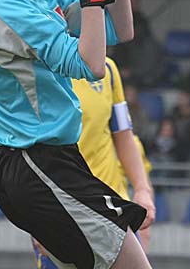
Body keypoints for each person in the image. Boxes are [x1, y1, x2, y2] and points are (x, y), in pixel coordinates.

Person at [0, 0, 151, 268]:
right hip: (34, 164)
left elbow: (120, 30)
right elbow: (92, 65)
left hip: (53, 162)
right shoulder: (3, 9)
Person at [32, 57, 156, 268]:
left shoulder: (108, 69)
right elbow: (27, 150)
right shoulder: (37, 69)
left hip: (113, 210)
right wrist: (36, 214)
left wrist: (142, 190)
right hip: (62, 213)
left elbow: (124, 136)